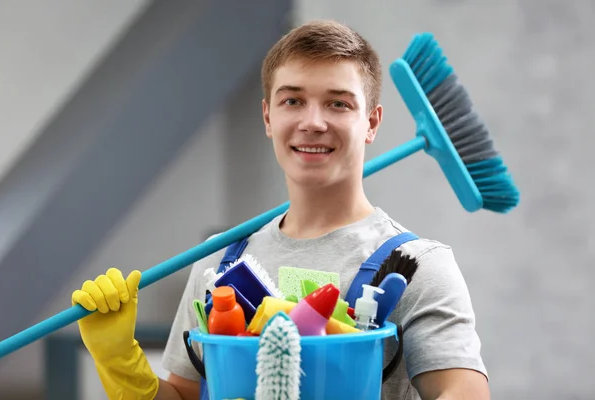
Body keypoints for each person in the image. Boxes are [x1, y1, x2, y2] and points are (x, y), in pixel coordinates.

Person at [71, 19, 490, 400]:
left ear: (372, 123)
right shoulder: (218, 261)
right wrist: (119, 360)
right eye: (293, 101)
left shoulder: (416, 266)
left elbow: (463, 392)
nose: (313, 122)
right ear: (268, 116)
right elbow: (184, 395)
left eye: (338, 103)